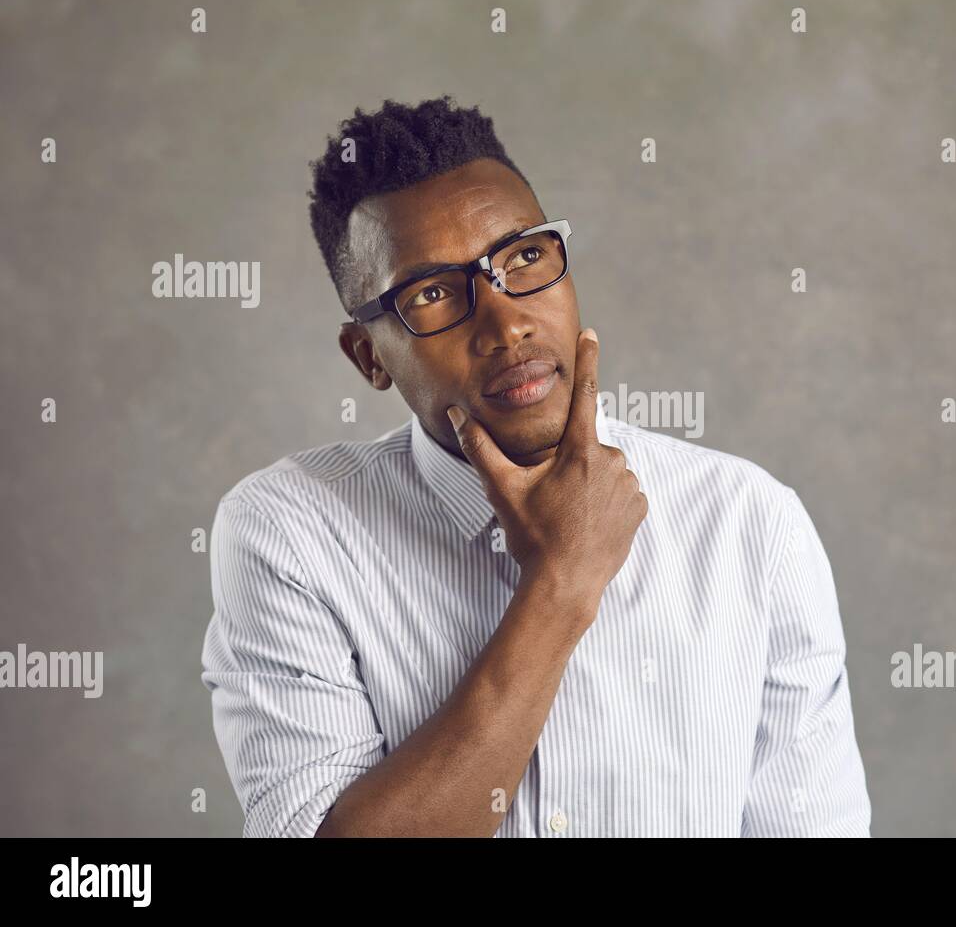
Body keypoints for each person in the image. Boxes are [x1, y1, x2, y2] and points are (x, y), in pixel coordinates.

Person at [200, 96, 871, 837]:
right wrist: (561, 583)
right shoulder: (287, 534)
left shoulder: (750, 524)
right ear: (369, 358)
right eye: (431, 294)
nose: (507, 322)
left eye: (523, 256)